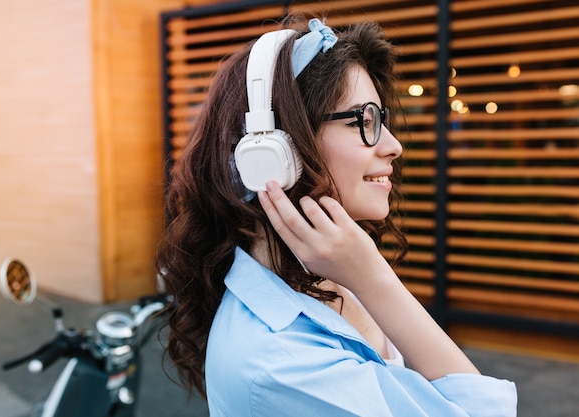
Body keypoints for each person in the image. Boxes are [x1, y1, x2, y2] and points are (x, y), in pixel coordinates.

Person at [157, 15, 517, 417]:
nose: (394, 146)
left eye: (382, 120)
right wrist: (377, 280)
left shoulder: (327, 275)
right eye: (364, 121)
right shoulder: (283, 366)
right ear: (273, 152)